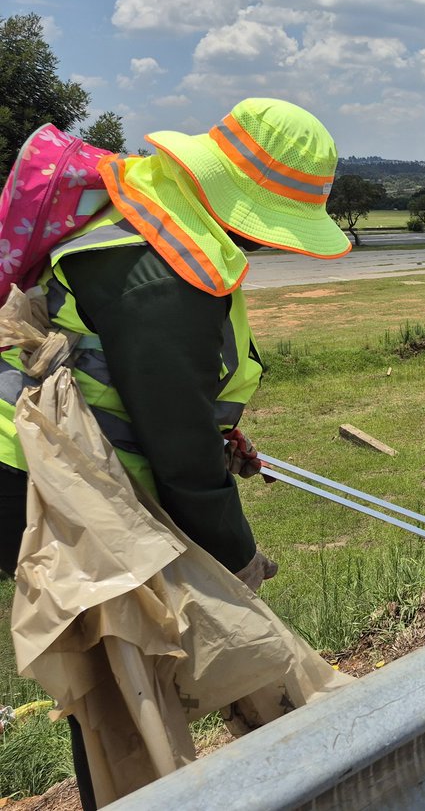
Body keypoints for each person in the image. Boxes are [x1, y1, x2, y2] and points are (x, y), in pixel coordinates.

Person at [0, 97, 351, 810]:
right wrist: (235, 554)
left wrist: (214, 435)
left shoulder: (151, 215)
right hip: (37, 477)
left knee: (133, 659)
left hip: (59, 463)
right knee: (122, 664)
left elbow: (149, 389)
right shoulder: (163, 265)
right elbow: (177, 444)